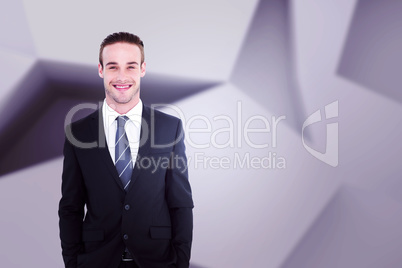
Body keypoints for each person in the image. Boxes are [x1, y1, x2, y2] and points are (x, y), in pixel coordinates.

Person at [59, 32, 194, 268]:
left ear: (142, 69)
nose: (122, 76)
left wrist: (180, 262)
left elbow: (180, 202)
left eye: (130, 67)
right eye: (113, 67)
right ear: (101, 70)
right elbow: (70, 207)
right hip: (97, 261)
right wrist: (73, 263)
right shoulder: (78, 133)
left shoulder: (169, 128)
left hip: (158, 261)